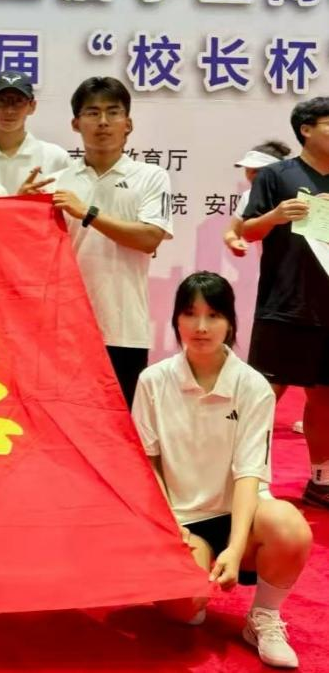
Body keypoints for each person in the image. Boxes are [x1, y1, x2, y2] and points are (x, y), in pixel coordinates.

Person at [134, 272, 311, 669]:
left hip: (241, 516)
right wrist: (169, 527)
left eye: (213, 315)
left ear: (230, 322)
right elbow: (149, 462)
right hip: (183, 520)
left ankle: (264, 616)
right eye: (189, 313)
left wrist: (234, 546)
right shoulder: (152, 381)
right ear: (176, 319)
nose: (201, 326)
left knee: (290, 526)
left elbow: (249, 472)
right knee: (186, 608)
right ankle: (189, 582)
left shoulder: (253, 386)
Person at [44, 77, 172, 408]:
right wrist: (23, 204)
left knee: (120, 424)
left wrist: (88, 213)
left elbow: (149, 238)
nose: (103, 122)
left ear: (128, 123)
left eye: (113, 112)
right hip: (65, 329)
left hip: (124, 328)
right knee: (68, 423)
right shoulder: (54, 184)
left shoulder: (151, 177)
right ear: (76, 123)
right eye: (92, 113)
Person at [240, 96, 329, 510]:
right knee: (263, 396)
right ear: (306, 130)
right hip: (284, 303)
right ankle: (246, 481)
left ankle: (321, 479)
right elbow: (248, 231)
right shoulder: (277, 176)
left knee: (324, 397)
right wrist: (275, 216)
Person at [0, 71, 71, 194]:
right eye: (1, 100)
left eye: (19, 101)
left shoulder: (55, 158)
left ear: (32, 106)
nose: (9, 110)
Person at [223, 141, 291, 256]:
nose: (250, 176)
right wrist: (233, 242)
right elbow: (232, 232)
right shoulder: (248, 196)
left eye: (257, 171)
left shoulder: (296, 192)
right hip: (270, 265)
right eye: (247, 171)